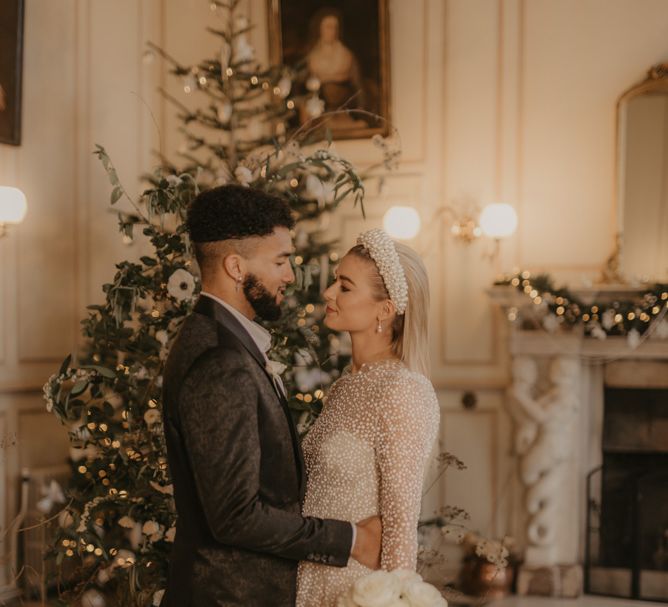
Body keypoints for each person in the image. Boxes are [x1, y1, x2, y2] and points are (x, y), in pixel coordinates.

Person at [160, 185, 382, 607]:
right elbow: (235, 517)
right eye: (280, 261)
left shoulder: (219, 339)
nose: (290, 276)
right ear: (235, 266)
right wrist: (351, 539)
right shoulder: (221, 360)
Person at [296, 228, 441, 606]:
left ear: (384, 310)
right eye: (334, 282)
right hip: (311, 578)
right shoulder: (346, 386)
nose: (328, 292)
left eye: (345, 286)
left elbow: (399, 527)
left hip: (356, 591)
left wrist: (394, 599)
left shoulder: (403, 390)